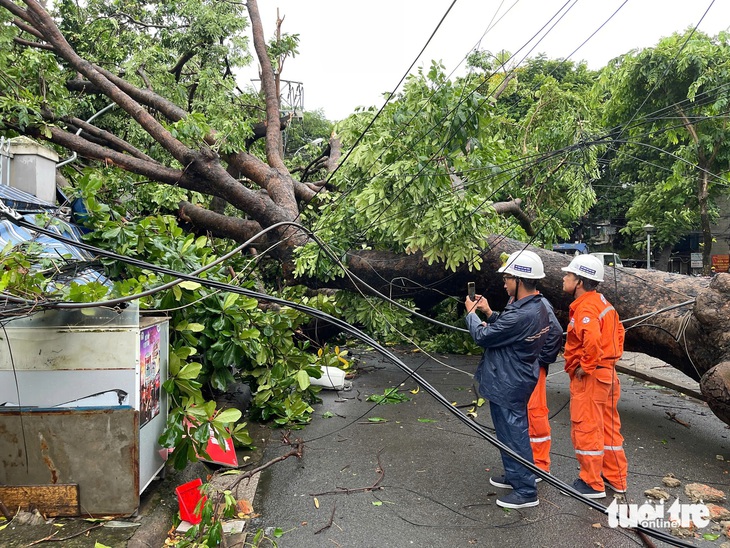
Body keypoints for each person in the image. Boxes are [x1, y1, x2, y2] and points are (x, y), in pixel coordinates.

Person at [465, 249, 561, 509]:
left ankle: (526, 491)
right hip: (513, 378)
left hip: (509, 381)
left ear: (520, 280)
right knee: (507, 433)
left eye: (507, 278)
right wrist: (488, 312)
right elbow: (510, 330)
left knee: (513, 433)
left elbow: (484, 337)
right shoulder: (537, 305)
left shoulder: (523, 313)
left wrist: (471, 315)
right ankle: (515, 475)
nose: (504, 282)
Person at [561, 254, 628, 499]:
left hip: (592, 378)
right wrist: (607, 362)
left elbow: (591, 340)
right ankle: (616, 479)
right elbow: (619, 333)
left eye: (568, 275)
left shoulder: (586, 307)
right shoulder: (604, 303)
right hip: (608, 375)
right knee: (610, 429)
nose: (564, 278)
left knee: (586, 427)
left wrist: (586, 366)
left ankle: (591, 483)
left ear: (579, 281)